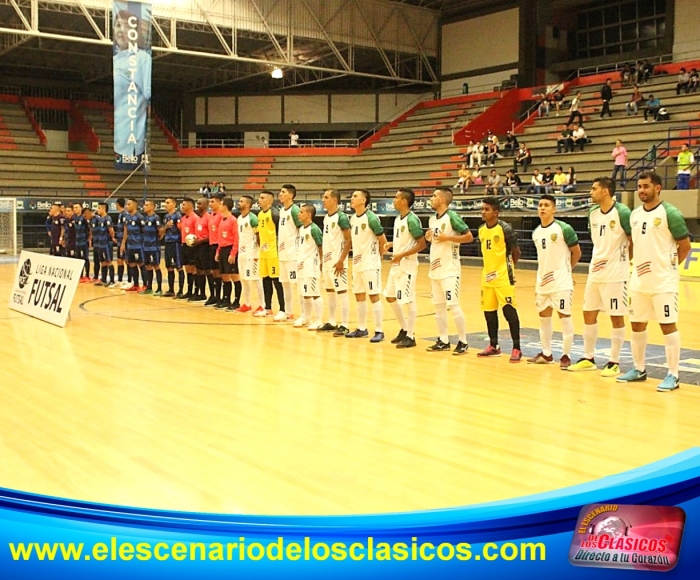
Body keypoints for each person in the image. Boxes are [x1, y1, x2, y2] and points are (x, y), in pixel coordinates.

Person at [616, 172, 691, 391]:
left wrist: (668, 267)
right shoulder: (635, 214)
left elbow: (684, 246)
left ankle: (673, 374)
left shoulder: (670, 213)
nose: (641, 190)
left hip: (663, 283)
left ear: (657, 188)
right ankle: (639, 369)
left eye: (646, 186)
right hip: (639, 281)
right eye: (639, 186)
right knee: (637, 324)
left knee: (667, 325)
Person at [568, 178, 631, 377]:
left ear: (605, 191)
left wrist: (624, 262)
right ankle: (589, 358)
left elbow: (633, 240)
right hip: (595, 272)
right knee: (588, 312)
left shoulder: (622, 212)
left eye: (594, 189)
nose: (591, 192)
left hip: (616, 274)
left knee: (616, 316)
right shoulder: (592, 213)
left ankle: (614, 361)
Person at [528, 195, 582, 369]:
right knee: (544, 319)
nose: (542, 208)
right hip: (542, 282)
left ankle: (566, 356)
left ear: (554, 209)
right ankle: (547, 354)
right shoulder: (536, 232)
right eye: (540, 205)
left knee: (564, 318)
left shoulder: (563, 228)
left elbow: (577, 252)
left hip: (561, 283)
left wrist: (567, 271)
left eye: (546, 205)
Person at [425, 188, 474, 355]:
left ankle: (463, 341)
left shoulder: (452, 217)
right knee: (438, 307)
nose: (431, 198)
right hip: (435, 269)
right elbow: (435, 240)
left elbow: (469, 236)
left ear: (443, 200)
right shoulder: (432, 220)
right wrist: (428, 237)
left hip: (450, 269)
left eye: (434, 196)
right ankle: (443, 340)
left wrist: (449, 238)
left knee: (453, 305)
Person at [477, 197, 522, 362]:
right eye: (482, 209)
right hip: (486, 278)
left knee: (509, 312)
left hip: (503, 277)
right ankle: (493, 346)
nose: (483, 212)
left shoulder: (505, 228)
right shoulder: (481, 230)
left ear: (496, 212)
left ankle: (516, 348)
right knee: (489, 313)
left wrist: (507, 269)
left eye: (487, 209)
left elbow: (516, 252)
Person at [382, 188, 426, 349]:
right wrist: (392, 244)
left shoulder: (412, 220)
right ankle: (404, 328)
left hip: (407, 266)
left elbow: (421, 244)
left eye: (396, 197)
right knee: (389, 296)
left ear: (404, 201)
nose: (393, 200)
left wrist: (401, 255)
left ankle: (411, 335)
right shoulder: (398, 219)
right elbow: (405, 241)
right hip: (397, 264)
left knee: (408, 300)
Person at [346, 189, 388, 342]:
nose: (352, 198)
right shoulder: (353, 218)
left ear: (363, 200)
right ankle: (362, 328)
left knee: (374, 295)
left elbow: (382, 240)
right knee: (359, 295)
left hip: (370, 263)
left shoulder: (371, 218)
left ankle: (379, 330)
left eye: (355, 196)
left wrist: (379, 257)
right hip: (357, 263)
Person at [113, 9, 151, 165]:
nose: (121, 30)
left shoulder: (142, 59)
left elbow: (149, 97)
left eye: (126, 26)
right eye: (117, 25)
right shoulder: (114, 61)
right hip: (116, 144)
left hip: (131, 145)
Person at [318, 189, 352, 335]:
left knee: (342, 292)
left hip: (338, 263)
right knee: (330, 292)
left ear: (334, 200)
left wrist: (341, 260)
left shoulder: (342, 217)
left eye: (326, 197)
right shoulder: (326, 217)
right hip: (327, 262)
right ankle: (332, 321)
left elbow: (349, 240)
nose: (323, 200)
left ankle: (344, 324)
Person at [276, 184, 303, 322]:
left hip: (293, 254)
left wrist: (299, 249)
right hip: (283, 254)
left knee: (297, 284)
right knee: (285, 284)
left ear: (290, 195)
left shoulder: (295, 210)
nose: (280, 194)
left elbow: (302, 229)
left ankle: (304, 314)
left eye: (283, 192)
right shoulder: (282, 211)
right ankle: (288, 311)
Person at [295, 204, 324, 329]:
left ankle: (318, 320)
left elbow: (321, 246)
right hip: (301, 266)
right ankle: (306, 317)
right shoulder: (302, 229)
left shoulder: (314, 229)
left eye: (301, 212)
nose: (298, 214)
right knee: (304, 293)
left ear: (308, 214)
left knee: (315, 293)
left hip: (311, 266)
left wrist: (321, 262)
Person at [236, 195, 266, 316]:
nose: (239, 203)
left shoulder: (253, 218)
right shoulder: (239, 218)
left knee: (256, 279)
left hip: (252, 253)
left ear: (248, 205)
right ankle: (247, 304)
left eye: (241, 201)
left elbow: (258, 235)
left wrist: (259, 250)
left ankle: (262, 305)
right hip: (242, 253)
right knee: (244, 279)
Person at [257, 190, 285, 315]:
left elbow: (281, 233)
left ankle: (282, 309)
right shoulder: (259, 215)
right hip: (264, 253)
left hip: (274, 253)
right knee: (265, 280)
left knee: (277, 281)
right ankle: (267, 307)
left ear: (269, 200)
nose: (259, 200)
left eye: (262, 198)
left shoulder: (275, 214)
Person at [214, 197, 239, 311]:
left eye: (221, 204)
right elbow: (220, 238)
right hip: (223, 249)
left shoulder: (233, 220)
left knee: (234, 276)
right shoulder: (222, 220)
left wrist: (233, 253)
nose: (219, 206)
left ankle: (237, 300)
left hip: (230, 249)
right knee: (224, 276)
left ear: (225, 206)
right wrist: (218, 251)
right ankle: (226, 299)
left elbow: (236, 238)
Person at [121, 198, 146, 293]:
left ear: (135, 205)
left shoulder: (139, 217)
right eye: (127, 204)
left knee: (141, 264)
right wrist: (123, 243)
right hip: (130, 246)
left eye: (129, 204)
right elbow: (126, 231)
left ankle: (145, 285)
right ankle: (135, 285)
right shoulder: (127, 217)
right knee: (131, 264)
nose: (127, 206)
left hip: (138, 246)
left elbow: (144, 231)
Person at [162, 197, 185, 298]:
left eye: (167, 203)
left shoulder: (177, 216)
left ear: (173, 205)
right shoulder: (166, 216)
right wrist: (166, 226)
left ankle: (180, 291)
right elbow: (163, 230)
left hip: (175, 243)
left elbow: (181, 230)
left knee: (178, 266)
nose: (165, 204)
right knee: (169, 267)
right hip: (167, 243)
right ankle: (171, 289)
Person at [140, 200, 164, 295]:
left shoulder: (156, 218)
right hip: (145, 246)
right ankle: (149, 287)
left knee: (156, 266)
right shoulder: (145, 218)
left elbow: (161, 231)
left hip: (153, 247)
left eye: (146, 205)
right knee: (148, 266)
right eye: (144, 205)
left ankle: (159, 288)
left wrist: (157, 240)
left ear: (153, 207)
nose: (144, 207)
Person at [204, 195, 224, 307]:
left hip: (219, 245)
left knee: (220, 272)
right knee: (213, 271)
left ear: (219, 203)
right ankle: (214, 295)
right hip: (211, 245)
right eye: (209, 202)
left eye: (212, 202)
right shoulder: (211, 216)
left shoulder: (221, 216)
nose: (210, 204)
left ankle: (221, 297)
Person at [178, 197, 199, 300]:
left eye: (184, 204)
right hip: (184, 245)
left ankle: (196, 291)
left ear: (190, 206)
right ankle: (189, 291)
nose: (182, 206)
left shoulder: (195, 218)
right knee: (187, 269)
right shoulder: (183, 218)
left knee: (194, 268)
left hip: (192, 246)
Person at [93, 202, 116, 287]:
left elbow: (111, 231)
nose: (97, 210)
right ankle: (103, 279)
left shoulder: (108, 218)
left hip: (106, 243)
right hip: (100, 243)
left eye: (99, 208)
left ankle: (112, 281)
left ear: (103, 209)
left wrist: (111, 238)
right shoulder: (99, 219)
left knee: (108, 261)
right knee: (102, 261)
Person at [114, 198, 131, 289]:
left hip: (125, 241)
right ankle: (120, 280)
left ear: (117, 204)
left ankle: (129, 280)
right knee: (119, 260)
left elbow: (126, 229)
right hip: (120, 240)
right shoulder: (120, 214)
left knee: (127, 260)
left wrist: (124, 242)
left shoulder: (125, 214)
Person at [73, 204, 91, 282]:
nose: (75, 209)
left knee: (85, 258)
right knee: (78, 259)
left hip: (84, 242)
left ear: (81, 208)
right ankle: (80, 275)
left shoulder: (84, 218)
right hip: (77, 242)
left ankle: (87, 275)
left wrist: (89, 239)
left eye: (76, 207)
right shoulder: (75, 218)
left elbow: (90, 229)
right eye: (74, 208)